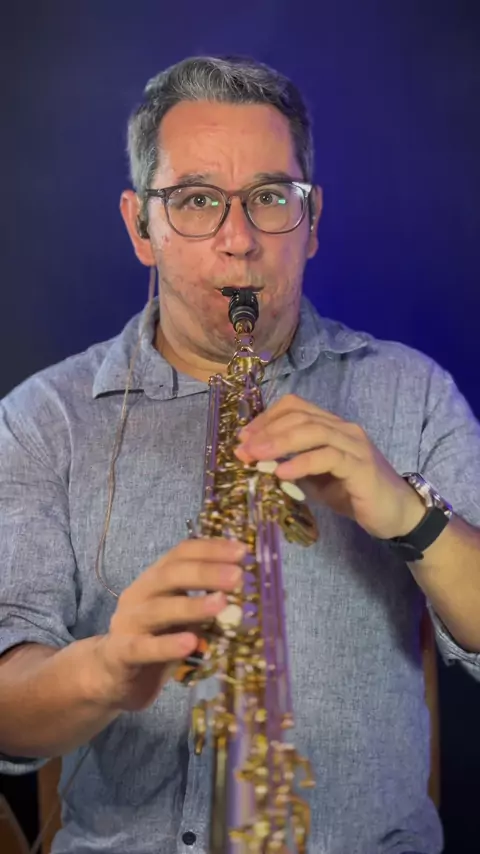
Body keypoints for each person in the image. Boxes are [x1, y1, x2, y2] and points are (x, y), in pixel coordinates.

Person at [0, 54, 479, 854]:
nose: (239, 240)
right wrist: (108, 668)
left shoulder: (411, 391)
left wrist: (409, 513)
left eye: (270, 197)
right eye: (196, 201)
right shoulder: (41, 421)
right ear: (140, 227)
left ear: (312, 220)